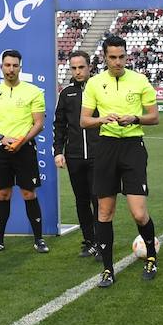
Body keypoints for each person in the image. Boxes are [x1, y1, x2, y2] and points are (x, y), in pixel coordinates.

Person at [80, 35, 160, 288]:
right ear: (104, 57)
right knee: (104, 212)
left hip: (133, 148)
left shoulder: (140, 80)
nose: (117, 62)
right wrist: (102, 120)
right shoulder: (94, 83)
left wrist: (134, 118)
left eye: (121, 57)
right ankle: (107, 269)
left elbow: (154, 117)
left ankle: (151, 256)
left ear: (127, 56)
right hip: (106, 148)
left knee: (138, 213)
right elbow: (84, 121)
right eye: (112, 57)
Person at [0, 49, 48, 254]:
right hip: (0, 148)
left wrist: (21, 140)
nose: (11, 69)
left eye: (14, 65)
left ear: (20, 67)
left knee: (28, 193)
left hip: (25, 148)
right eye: (7, 65)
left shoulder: (33, 91)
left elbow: (39, 123)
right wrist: (1, 138)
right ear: (1, 67)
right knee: (2, 194)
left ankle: (39, 239)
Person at [54, 50, 100, 259]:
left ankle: (102, 241)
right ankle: (89, 241)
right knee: (81, 200)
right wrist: (58, 152)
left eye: (81, 67)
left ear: (89, 67)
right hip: (73, 156)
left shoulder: (100, 89)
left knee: (97, 199)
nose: (78, 71)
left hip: (97, 155)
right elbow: (60, 125)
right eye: (74, 68)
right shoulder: (66, 94)